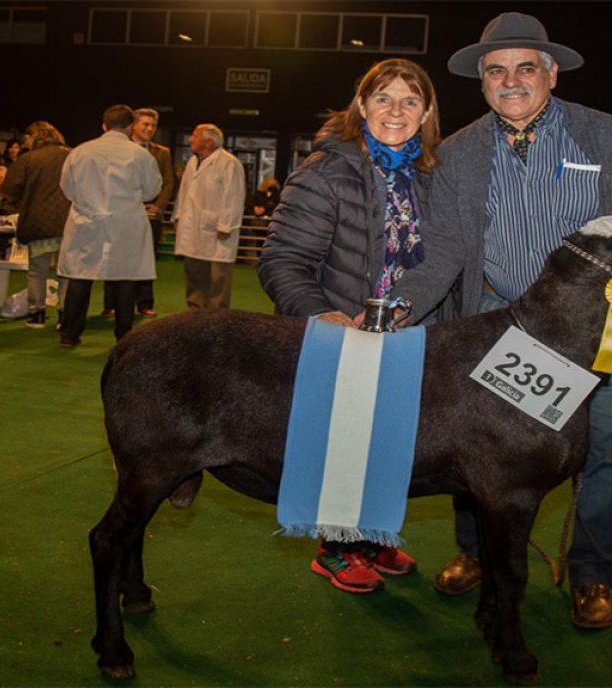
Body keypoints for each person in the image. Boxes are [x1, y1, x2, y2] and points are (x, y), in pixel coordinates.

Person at [387, 11, 612, 630]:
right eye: (496, 70)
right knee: (478, 453)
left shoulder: (608, 137)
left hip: (603, 326)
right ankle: (476, 554)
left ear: (550, 74)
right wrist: (399, 305)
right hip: (500, 319)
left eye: (525, 67)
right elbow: (441, 252)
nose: (510, 80)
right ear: (482, 82)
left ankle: (593, 573)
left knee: (608, 448)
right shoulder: (459, 152)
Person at [257, 58, 441, 592]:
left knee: (396, 442)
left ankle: (373, 537)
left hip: (409, 333)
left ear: (426, 111)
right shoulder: (327, 169)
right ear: (361, 106)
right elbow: (281, 260)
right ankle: (336, 548)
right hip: (342, 335)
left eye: (410, 100)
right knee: (344, 443)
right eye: (383, 98)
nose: (396, 110)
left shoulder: (431, 174)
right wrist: (324, 317)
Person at [57, 104, 162, 347]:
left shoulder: (80, 152)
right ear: (130, 127)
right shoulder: (140, 155)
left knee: (80, 277)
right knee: (125, 277)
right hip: (125, 222)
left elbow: (67, 188)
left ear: (104, 126)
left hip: (86, 221)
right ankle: (123, 334)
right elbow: (151, 190)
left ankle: (70, 334)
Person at [102, 108, 175, 319]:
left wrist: (157, 206)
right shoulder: (119, 149)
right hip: (120, 214)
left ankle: (144, 303)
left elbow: (168, 182)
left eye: (153, 125)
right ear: (133, 125)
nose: (149, 129)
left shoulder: (162, 152)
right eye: (145, 124)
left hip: (150, 215)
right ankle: (111, 303)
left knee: (146, 259)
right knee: (114, 258)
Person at [0, 121, 71, 329]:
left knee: (37, 269)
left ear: (34, 137)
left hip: (38, 222)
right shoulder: (72, 155)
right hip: (70, 223)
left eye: (27, 138)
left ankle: (36, 314)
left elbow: (10, 190)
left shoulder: (28, 159)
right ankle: (64, 316)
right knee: (65, 270)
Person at [172, 124, 245, 310]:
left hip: (218, 233)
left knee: (217, 281)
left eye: (195, 136)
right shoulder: (192, 162)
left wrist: (225, 225)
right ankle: (195, 315)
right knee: (194, 276)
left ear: (208, 142)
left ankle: (216, 321)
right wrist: (178, 216)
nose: (190, 139)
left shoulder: (229, 163)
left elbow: (234, 197)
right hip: (192, 229)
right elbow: (184, 193)